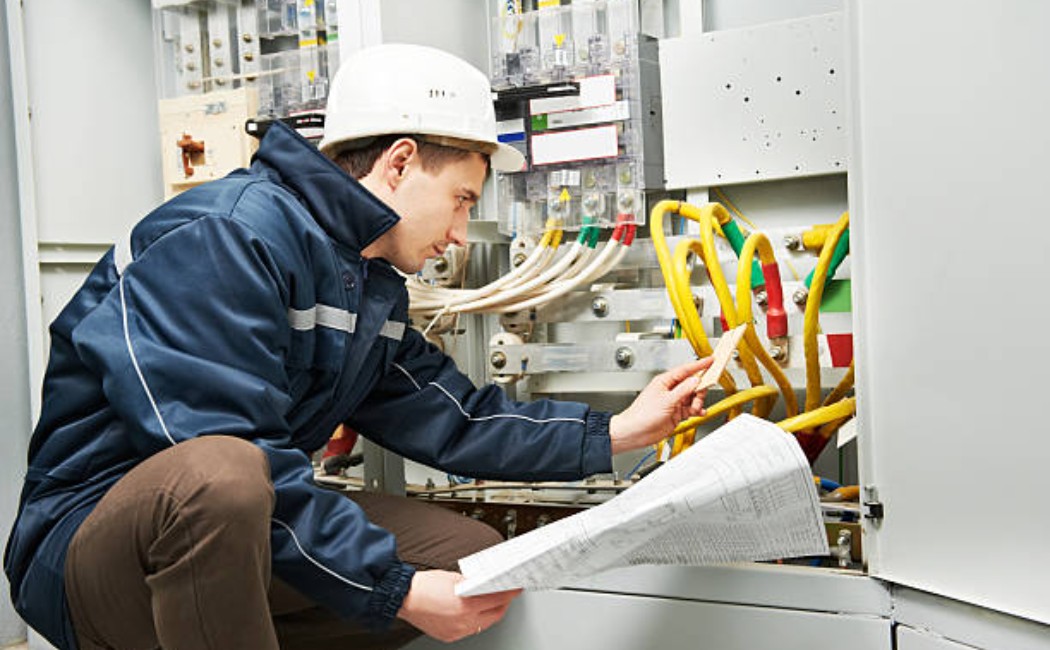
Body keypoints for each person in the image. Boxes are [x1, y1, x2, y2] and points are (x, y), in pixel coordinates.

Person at [4, 43, 712, 649]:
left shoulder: (363, 281)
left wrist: (616, 432)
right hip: (89, 554)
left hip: (227, 533)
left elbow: (451, 417)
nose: (463, 232)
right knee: (224, 471)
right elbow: (221, 445)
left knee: (469, 563)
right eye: (464, 199)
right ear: (400, 164)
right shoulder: (227, 236)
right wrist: (395, 589)